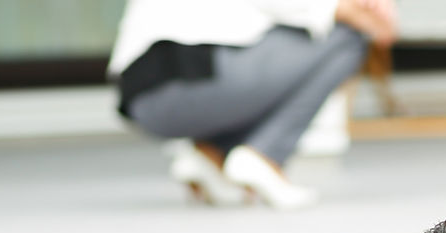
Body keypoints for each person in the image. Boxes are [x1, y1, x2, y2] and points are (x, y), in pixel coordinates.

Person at [109, 0, 398, 209]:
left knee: (300, 42)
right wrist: (343, 8)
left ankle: (211, 155)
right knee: (346, 36)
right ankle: (265, 154)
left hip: (140, 94)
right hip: (193, 71)